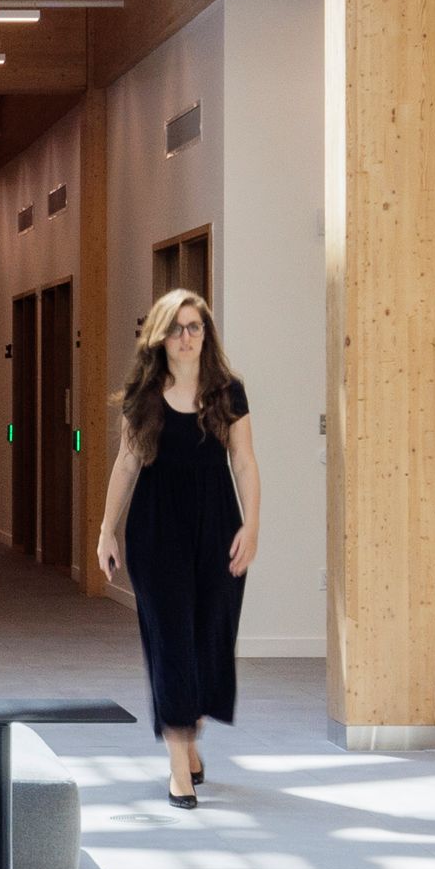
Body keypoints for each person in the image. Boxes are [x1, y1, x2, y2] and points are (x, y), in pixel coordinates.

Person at [92, 288, 259, 806]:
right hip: (156, 531)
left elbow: (245, 463)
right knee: (170, 646)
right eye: (176, 328)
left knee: (210, 643)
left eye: (195, 327)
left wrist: (252, 526)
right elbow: (126, 463)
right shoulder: (144, 394)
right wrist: (106, 530)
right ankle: (178, 768)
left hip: (217, 529)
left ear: (205, 334)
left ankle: (189, 735)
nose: (186, 337)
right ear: (160, 336)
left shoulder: (228, 391)